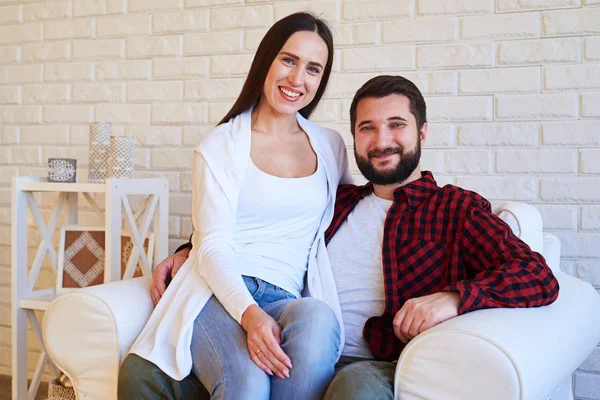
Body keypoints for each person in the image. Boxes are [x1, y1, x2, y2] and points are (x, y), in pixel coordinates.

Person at [149, 74, 560, 399]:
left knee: (354, 390)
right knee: (173, 379)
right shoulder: (336, 200)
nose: (381, 141)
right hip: (293, 345)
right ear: (354, 140)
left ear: (422, 132)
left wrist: (452, 298)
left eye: (396, 125)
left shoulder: (455, 209)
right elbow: (259, 224)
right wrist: (189, 249)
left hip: (373, 362)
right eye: (367, 128)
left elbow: (537, 276)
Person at [118, 12, 352, 400]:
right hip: (217, 291)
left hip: (286, 296)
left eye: (313, 68)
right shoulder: (220, 146)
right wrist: (250, 314)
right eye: (288, 60)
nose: (297, 79)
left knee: (319, 317)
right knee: (247, 383)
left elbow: (350, 211)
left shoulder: (330, 146)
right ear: (266, 61)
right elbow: (214, 244)